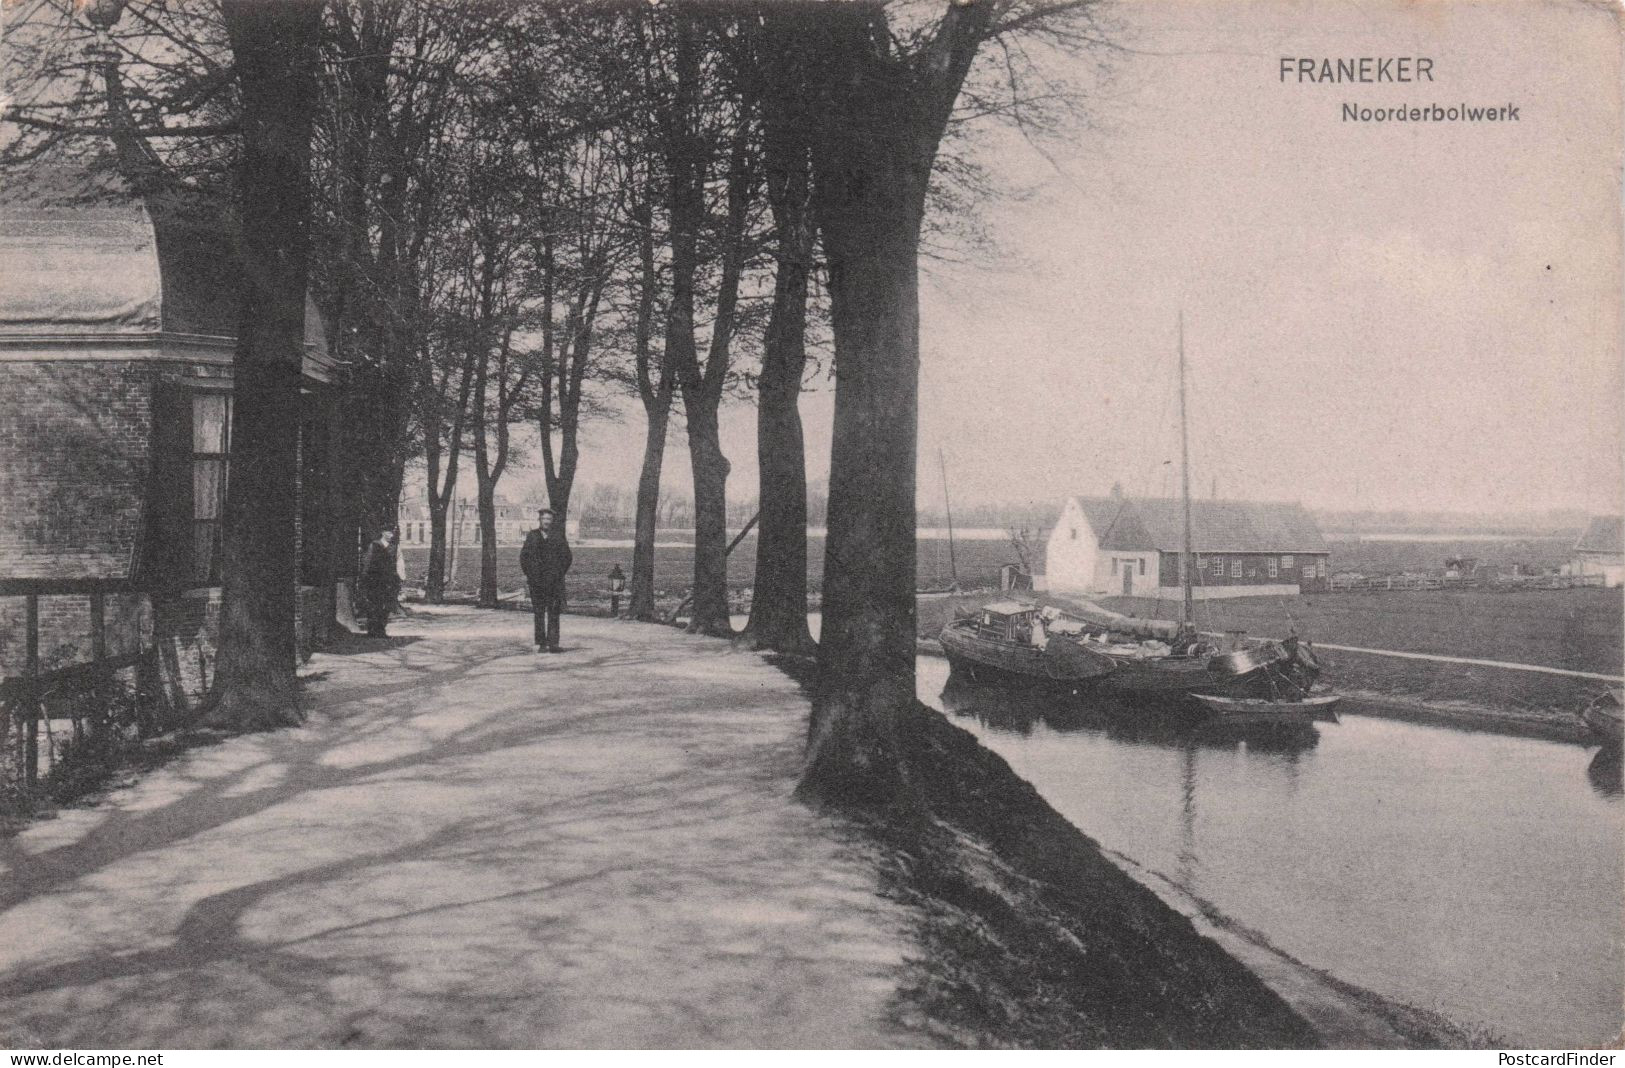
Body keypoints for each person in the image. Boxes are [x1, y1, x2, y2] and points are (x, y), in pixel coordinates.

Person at [520, 508, 572, 652]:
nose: (547, 522)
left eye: (549, 519)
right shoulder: (532, 536)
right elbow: (524, 557)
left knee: (554, 612)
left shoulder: (558, 536)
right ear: (540, 520)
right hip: (536, 582)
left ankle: (553, 644)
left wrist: (559, 573)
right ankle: (541, 643)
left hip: (554, 582)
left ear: (552, 521)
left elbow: (567, 557)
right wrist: (530, 575)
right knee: (539, 612)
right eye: (544, 519)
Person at [359, 529, 400, 638]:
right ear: (383, 533)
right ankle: (372, 630)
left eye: (392, 533)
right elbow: (367, 563)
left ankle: (381, 630)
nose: (391, 535)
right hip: (375, 581)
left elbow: (395, 564)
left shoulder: (393, 547)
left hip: (388, 581)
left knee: (385, 607)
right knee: (374, 606)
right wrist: (365, 579)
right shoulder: (374, 545)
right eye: (389, 533)